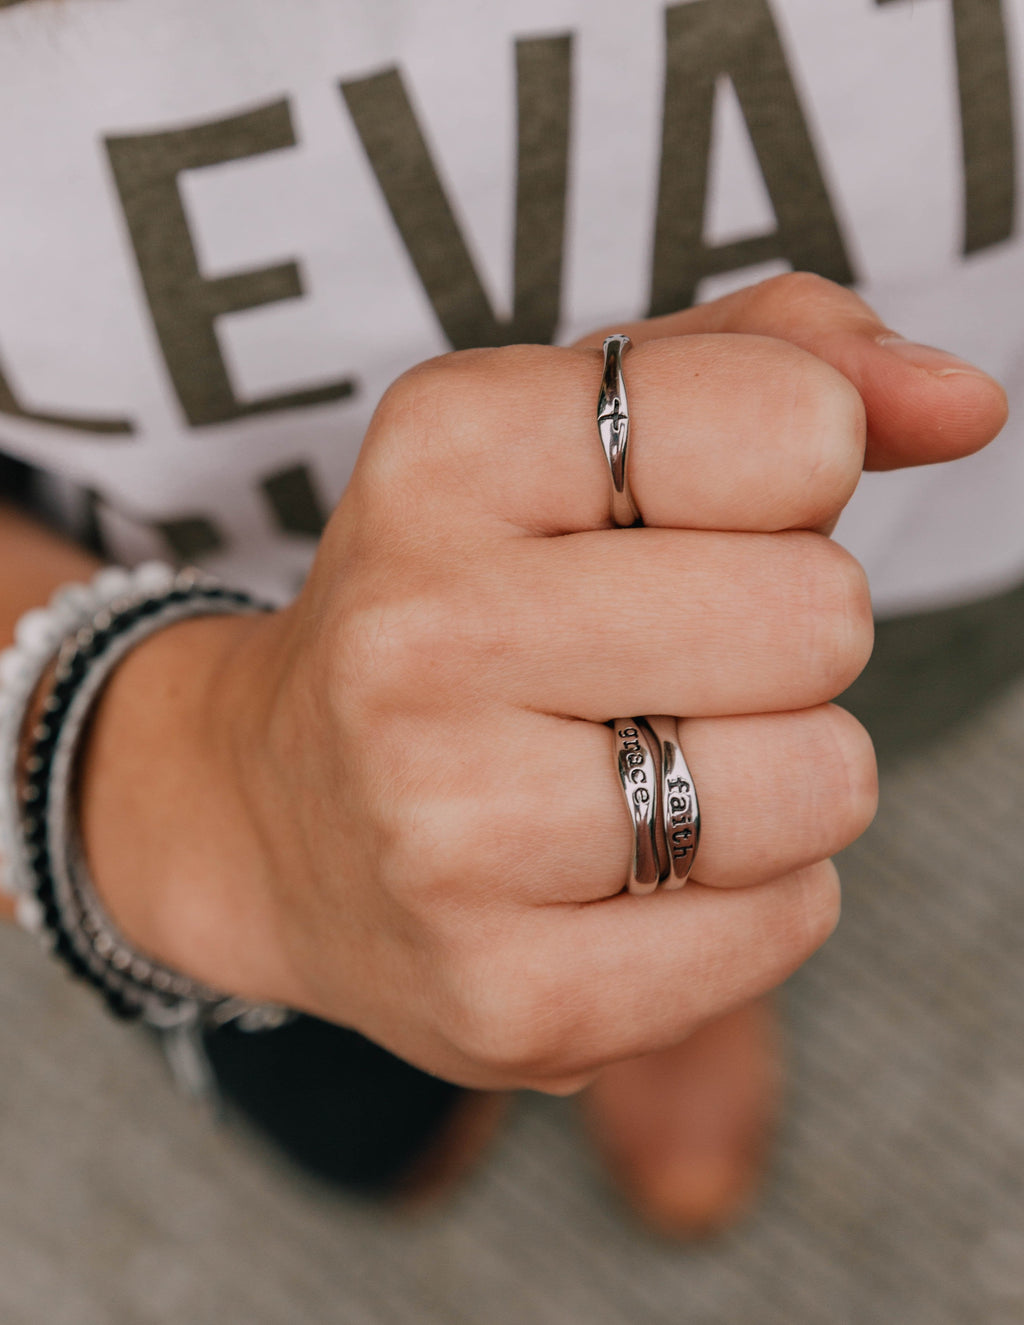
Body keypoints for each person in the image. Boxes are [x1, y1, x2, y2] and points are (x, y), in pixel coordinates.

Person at [0, 0, 1016, 1237]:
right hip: (202, 622)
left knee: (818, 744)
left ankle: (671, 937)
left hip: (932, 544)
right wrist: (220, 777)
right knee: (380, 1129)